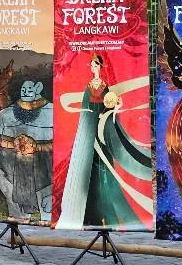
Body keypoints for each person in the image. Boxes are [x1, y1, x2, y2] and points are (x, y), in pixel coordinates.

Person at [57, 52, 153, 229]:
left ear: (100, 67)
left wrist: (115, 108)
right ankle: (87, 214)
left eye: (96, 65)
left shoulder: (105, 87)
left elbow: (109, 108)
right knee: (88, 169)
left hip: (101, 129)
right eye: (92, 66)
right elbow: (85, 111)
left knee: (103, 169)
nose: (94, 68)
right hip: (89, 132)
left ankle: (105, 212)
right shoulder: (89, 87)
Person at [0, 76, 53, 221]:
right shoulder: (5, 115)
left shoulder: (52, 112)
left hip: (46, 183)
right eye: (23, 88)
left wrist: (38, 147)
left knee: (47, 218)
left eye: (30, 88)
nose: (26, 92)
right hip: (10, 179)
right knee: (17, 224)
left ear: (38, 88)